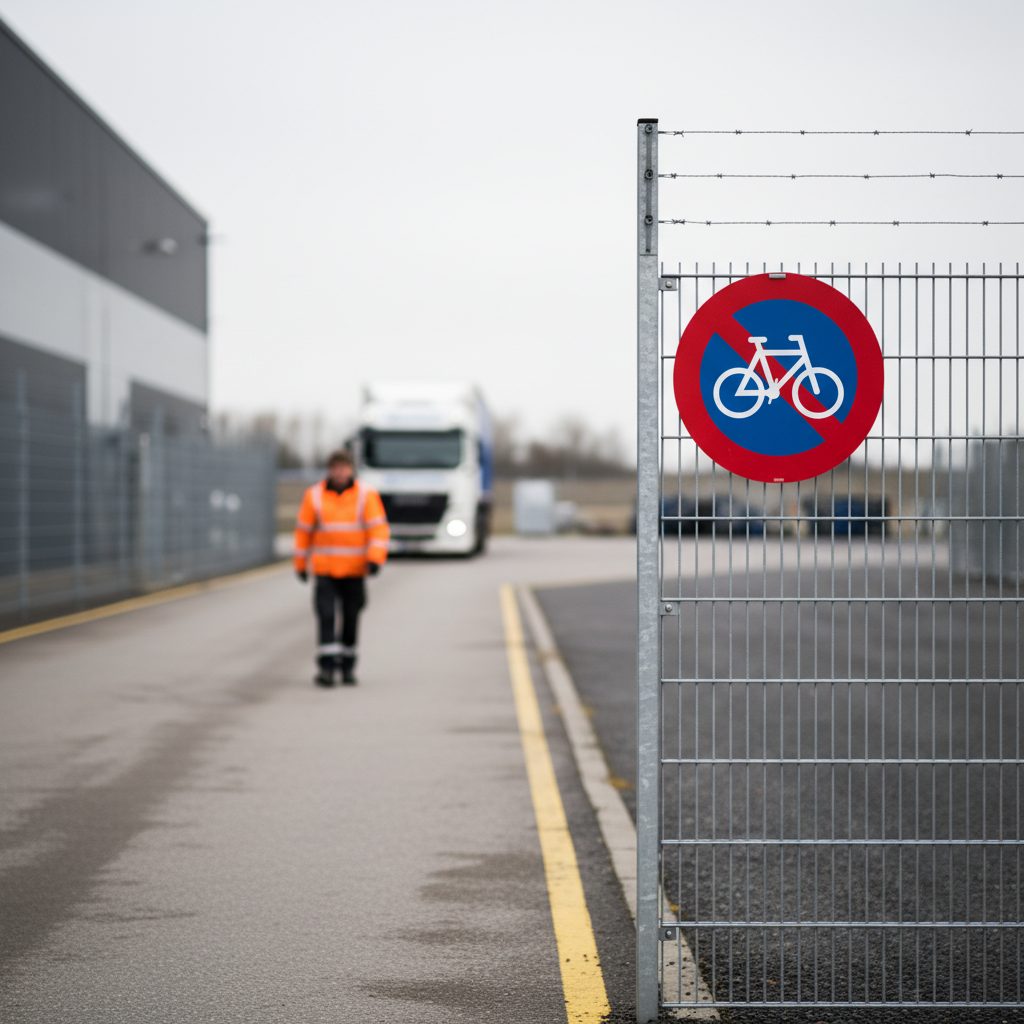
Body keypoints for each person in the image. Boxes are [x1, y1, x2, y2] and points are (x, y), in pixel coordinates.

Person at [293, 449, 389, 686]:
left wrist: (375, 558)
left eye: (343, 467)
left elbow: (378, 529)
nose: (339, 472)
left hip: (355, 569)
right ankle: (326, 668)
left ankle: (347, 666)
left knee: (350, 617)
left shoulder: (366, 495)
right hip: (325, 568)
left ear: (351, 469)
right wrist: (300, 564)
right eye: (335, 467)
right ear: (329, 470)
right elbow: (303, 532)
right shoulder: (313, 496)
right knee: (325, 615)